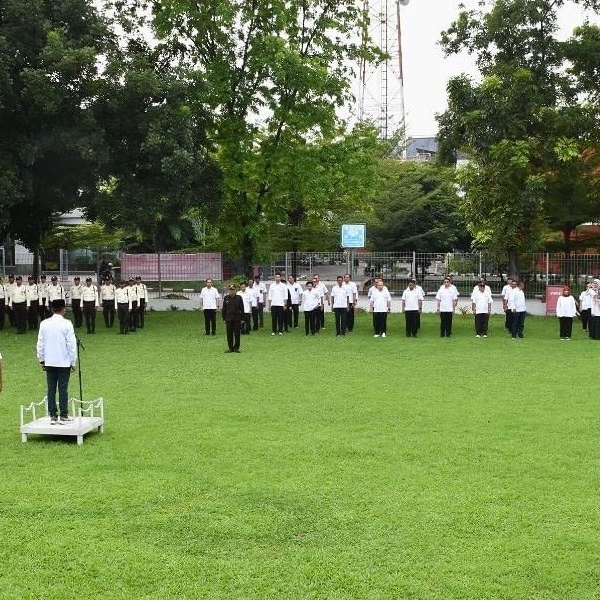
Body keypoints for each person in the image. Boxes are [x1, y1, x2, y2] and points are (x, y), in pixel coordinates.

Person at [36, 299, 77, 424]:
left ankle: (53, 415)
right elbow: (71, 344)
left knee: (51, 389)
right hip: (63, 361)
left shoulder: (44, 323)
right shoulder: (67, 324)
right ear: (63, 309)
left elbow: (40, 343)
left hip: (49, 361)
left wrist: (41, 359)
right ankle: (63, 415)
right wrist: (73, 361)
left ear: (52, 309)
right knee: (63, 388)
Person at [222, 284, 244, 353]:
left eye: (233, 289)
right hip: (228, 319)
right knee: (229, 334)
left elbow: (242, 308)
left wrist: (242, 318)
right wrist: (224, 318)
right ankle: (230, 348)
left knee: (237, 334)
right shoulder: (226, 298)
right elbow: (224, 309)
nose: (231, 291)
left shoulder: (239, 298)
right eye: (230, 289)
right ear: (228, 290)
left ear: (235, 290)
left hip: (237, 319)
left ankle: (236, 348)